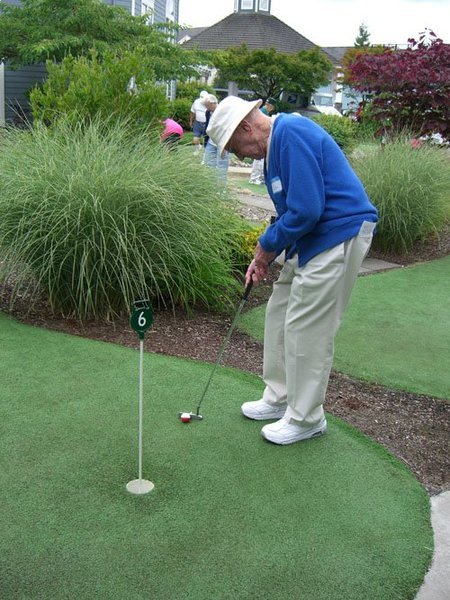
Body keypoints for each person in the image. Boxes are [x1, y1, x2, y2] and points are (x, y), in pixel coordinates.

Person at [206, 96, 378, 445]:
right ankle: (279, 396)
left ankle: (306, 418)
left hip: (338, 234)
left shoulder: (292, 132)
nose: (239, 156)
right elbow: (293, 213)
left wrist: (267, 245)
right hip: (313, 238)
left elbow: (306, 210)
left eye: (234, 147)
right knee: (279, 310)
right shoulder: (274, 149)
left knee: (307, 326)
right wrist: (265, 255)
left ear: (246, 127)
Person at [249, 98, 276, 185]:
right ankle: (254, 178)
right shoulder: (262, 112)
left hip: (261, 139)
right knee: (258, 160)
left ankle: (258, 177)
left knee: (261, 160)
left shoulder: (264, 112)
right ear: (270, 106)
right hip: (258, 139)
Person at [202, 94, 229, 180]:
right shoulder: (208, 112)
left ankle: (221, 190)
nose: (206, 107)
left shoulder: (223, 111)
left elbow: (227, 128)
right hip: (211, 141)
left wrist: (226, 144)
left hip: (222, 142)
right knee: (208, 164)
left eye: (206, 105)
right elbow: (207, 126)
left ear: (212, 103)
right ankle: (210, 187)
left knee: (221, 166)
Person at [189, 90, 209, 155]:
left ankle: (205, 153)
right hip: (197, 123)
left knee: (205, 139)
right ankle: (198, 148)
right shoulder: (196, 102)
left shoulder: (209, 104)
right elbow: (192, 112)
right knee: (195, 139)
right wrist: (191, 121)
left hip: (206, 124)